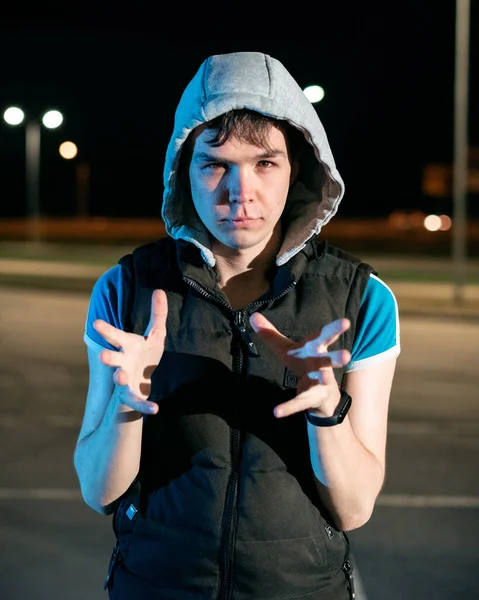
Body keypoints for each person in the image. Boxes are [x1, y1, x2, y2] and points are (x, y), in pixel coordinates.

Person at [74, 51, 400, 600]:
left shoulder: (362, 298)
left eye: (264, 163)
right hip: (154, 586)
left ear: (298, 167)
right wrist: (127, 403)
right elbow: (100, 492)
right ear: (184, 169)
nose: (239, 191)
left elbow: (354, 508)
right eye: (215, 162)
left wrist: (326, 408)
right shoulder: (126, 289)